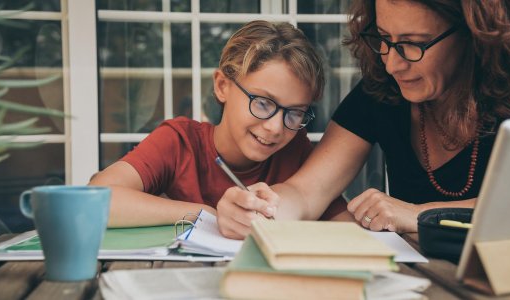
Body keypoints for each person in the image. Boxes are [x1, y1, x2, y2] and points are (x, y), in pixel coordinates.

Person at [216, 0, 510, 237]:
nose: (392, 64)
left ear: (475, 34)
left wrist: (419, 213)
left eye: (414, 43)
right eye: (384, 39)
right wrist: (262, 209)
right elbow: (306, 193)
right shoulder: (382, 90)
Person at [89, 20, 350, 229]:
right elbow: (95, 200)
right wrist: (206, 214)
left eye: (294, 113)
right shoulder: (179, 143)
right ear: (222, 86)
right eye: (262, 103)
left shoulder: (296, 152)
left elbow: (347, 229)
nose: (275, 127)